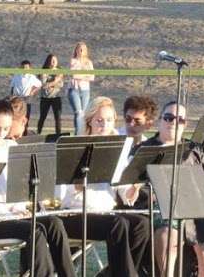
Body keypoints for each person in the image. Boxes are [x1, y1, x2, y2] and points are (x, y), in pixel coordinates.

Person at [0, 98, 76, 277]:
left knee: (54, 223)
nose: (0, 134)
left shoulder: (10, 145)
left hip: (9, 217)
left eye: (5, 129)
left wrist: (20, 208)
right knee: (35, 229)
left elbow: (17, 188)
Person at [61, 97, 150, 277]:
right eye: (99, 120)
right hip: (76, 214)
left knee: (142, 224)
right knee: (118, 224)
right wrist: (77, 184)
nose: (104, 124)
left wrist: (134, 187)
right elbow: (61, 194)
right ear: (90, 122)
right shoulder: (76, 146)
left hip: (106, 213)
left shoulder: (118, 146)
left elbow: (123, 190)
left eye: (109, 120)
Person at [142, 102, 204, 277]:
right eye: (169, 117)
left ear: (185, 124)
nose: (173, 123)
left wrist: (197, 195)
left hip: (195, 206)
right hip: (161, 210)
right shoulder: (145, 150)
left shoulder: (195, 150)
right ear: (160, 121)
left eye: (179, 119)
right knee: (167, 234)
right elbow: (134, 186)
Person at [68, 41, 95, 135]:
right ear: (76, 50)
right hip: (74, 89)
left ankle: (81, 132)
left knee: (82, 114)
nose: (81, 51)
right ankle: (79, 133)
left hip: (85, 90)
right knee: (79, 112)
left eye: (83, 49)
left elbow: (92, 77)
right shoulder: (73, 61)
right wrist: (85, 76)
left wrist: (80, 75)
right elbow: (73, 75)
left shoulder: (89, 63)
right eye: (79, 49)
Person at [38, 54, 64, 135]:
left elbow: (61, 85)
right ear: (48, 61)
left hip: (56, 97)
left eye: (55, 60)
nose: (53, 62)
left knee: (58, 118)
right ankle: (38, 133)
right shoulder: (44, 71)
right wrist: (55, 81)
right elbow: (44, 85)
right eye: (52, 60)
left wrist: (52, 83)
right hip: (45, 98)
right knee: (42, 117)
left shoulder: (60, 71)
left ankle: (58, 135)